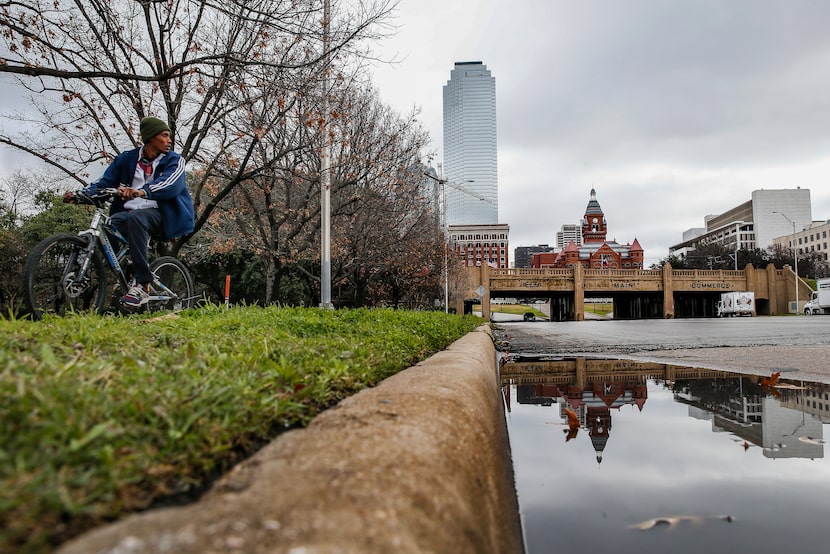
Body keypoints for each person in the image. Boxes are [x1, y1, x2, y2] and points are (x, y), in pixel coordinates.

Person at [64, 117, 194, 308]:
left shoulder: (174, 161)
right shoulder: (126, 159)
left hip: (162, 216)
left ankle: (142, 284)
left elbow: (171, 184)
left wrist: (143, 191)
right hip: (130, 217)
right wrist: (81, 195)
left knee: (136, 217)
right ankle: (127, 273)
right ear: (150, 138)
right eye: (164, 136)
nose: (169, 140)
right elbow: (104, 183)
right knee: (108, 226)